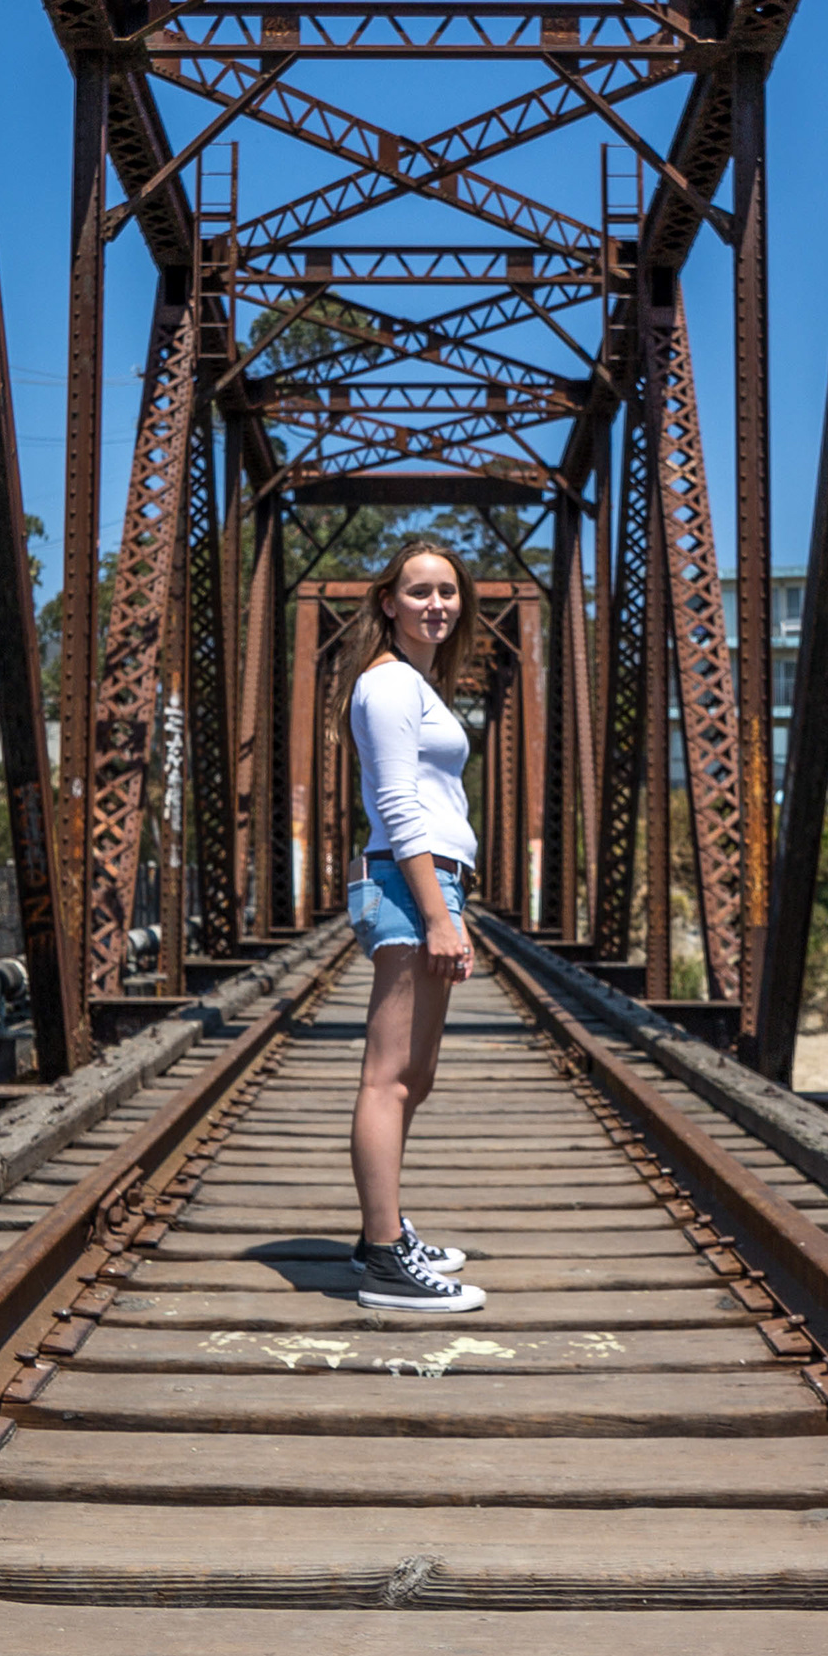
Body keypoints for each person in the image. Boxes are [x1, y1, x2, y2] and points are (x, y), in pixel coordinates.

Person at [336, 538, 490, 1313]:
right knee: (389, 1077)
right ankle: (387, 1259)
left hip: (421, 886)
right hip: (406, 887)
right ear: (388, 603)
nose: (437, 603)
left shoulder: (414, 685)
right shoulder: (391, 686)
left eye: (449, 592)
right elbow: (399, 808)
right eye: (420, 590)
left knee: (414, 1076)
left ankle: (382, 1230)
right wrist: (437, 916)